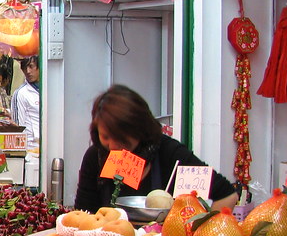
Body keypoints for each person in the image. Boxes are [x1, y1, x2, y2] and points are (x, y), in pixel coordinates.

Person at [74, 85, 239, 212]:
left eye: (122, 140)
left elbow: (227, 195)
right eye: (106, 137)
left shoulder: (169, 153)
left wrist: (203, 234)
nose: (114, 147)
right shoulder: (94, 157)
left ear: (140, 128)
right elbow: (82, 214)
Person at [11, 56, 40, 149]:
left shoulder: (51, 88)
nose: (28, 71)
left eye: (31, 66)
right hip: (32, 148)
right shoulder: (20, 93)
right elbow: (18, 128)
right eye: (24, 68)